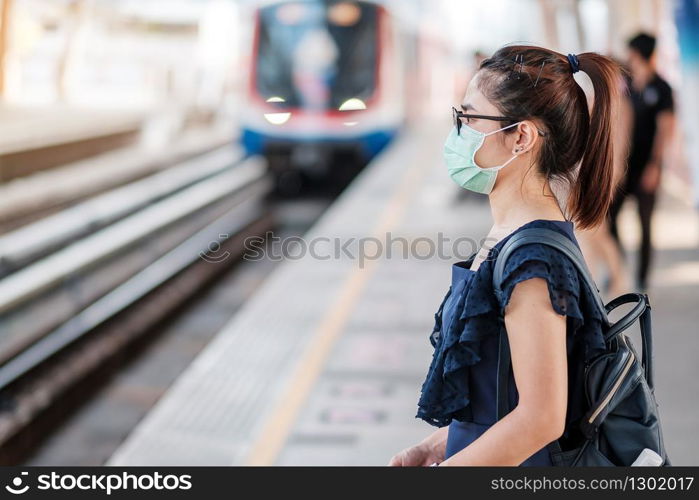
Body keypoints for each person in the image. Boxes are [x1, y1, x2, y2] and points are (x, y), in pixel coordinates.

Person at [387, 45, 623, 466]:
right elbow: (503, 393)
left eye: (469, 118)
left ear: (521, 137)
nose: (458, 132)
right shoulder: (512, 236)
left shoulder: (533, 261)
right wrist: (438, 447)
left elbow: (542, 418)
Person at [608, 33, 676, 293]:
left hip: (648, 166)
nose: (628, 57)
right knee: (609, 217)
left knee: (645, 224)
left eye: (631, 53)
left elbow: (665, 130)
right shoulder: (628, 84)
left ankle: (642, 278)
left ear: (640, 54)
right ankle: (619, 266)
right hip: (625, 167)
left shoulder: (661, 87)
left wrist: (656, 166)